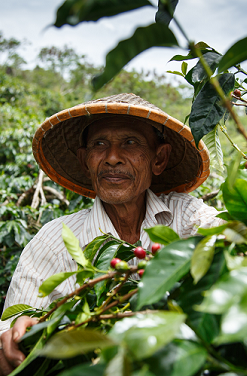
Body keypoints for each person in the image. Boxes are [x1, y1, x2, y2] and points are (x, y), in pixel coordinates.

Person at [0, 93, 223, 375]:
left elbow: (231, 246)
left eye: (130, 142)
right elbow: (10, 343)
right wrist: (21, 338)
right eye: (99, 144)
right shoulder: (54, 241)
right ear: (85, 160)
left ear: (159, 158)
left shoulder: (187, 218)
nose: (113, 158)